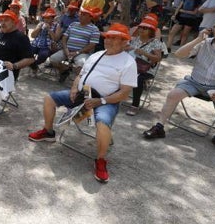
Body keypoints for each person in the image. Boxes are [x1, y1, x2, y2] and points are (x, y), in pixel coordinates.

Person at [28, 23, 137, 183]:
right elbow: (81, 75)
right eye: (107, 37)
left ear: (124, 42)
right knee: (49, 98)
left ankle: (100, 160)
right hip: (81, 94)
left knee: (103, 122)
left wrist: (101, 101)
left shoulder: (128, 62)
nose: (108, 40)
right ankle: (49, 132)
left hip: (105, 101)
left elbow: (124, 93)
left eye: (114, 38)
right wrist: (73, 87)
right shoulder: (96, 55)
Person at [143, 19, 215, 155]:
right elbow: (179, 55)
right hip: (195, 82)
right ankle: (159, 126)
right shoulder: (204, 43)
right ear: (213, 30)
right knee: (173, 94)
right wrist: (197, 39)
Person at [48, 6, 102, 82]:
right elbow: (64, 38)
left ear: (90, 17)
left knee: (81, 64)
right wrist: (66, 49)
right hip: (67, 50)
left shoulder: (94, 29)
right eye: (81, 14)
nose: (80, 15)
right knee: (53, 59)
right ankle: (64, 70)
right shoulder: (73, 24)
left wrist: (77, 52)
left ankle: (77, 84)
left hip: (82, 53)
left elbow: (92, 44)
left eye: (83, 14)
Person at [126, 16, 166, 115]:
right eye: (140, 27)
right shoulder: (135, 39)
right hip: (131, 66)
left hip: (145, 70)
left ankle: (135, 105)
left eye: (145, 28)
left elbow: (158, 58)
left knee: (138, 79)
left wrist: (144, 53)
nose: (141, 30)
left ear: (151, 31)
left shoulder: (156, 43)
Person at [0, 10, 34, 80]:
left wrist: (14, 65)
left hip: (4, 77)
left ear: (14, 22)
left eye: (6, 20)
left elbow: (30, 59)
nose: (2, 23)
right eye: (1, 21)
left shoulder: (21, 37)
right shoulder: (1, 34)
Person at [30, 8, 62, 72]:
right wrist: (39, 28)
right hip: (36, 44)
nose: (46, 20)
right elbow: (32, 36)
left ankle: (33, 65)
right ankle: (32, 64)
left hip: (47, 46)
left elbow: (56, 39)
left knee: (43, 55)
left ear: (52, 19)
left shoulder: (57, 26)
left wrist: (49, 30)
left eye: (48, 18)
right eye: (45, 18)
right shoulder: (40, 24)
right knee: (27, 52)